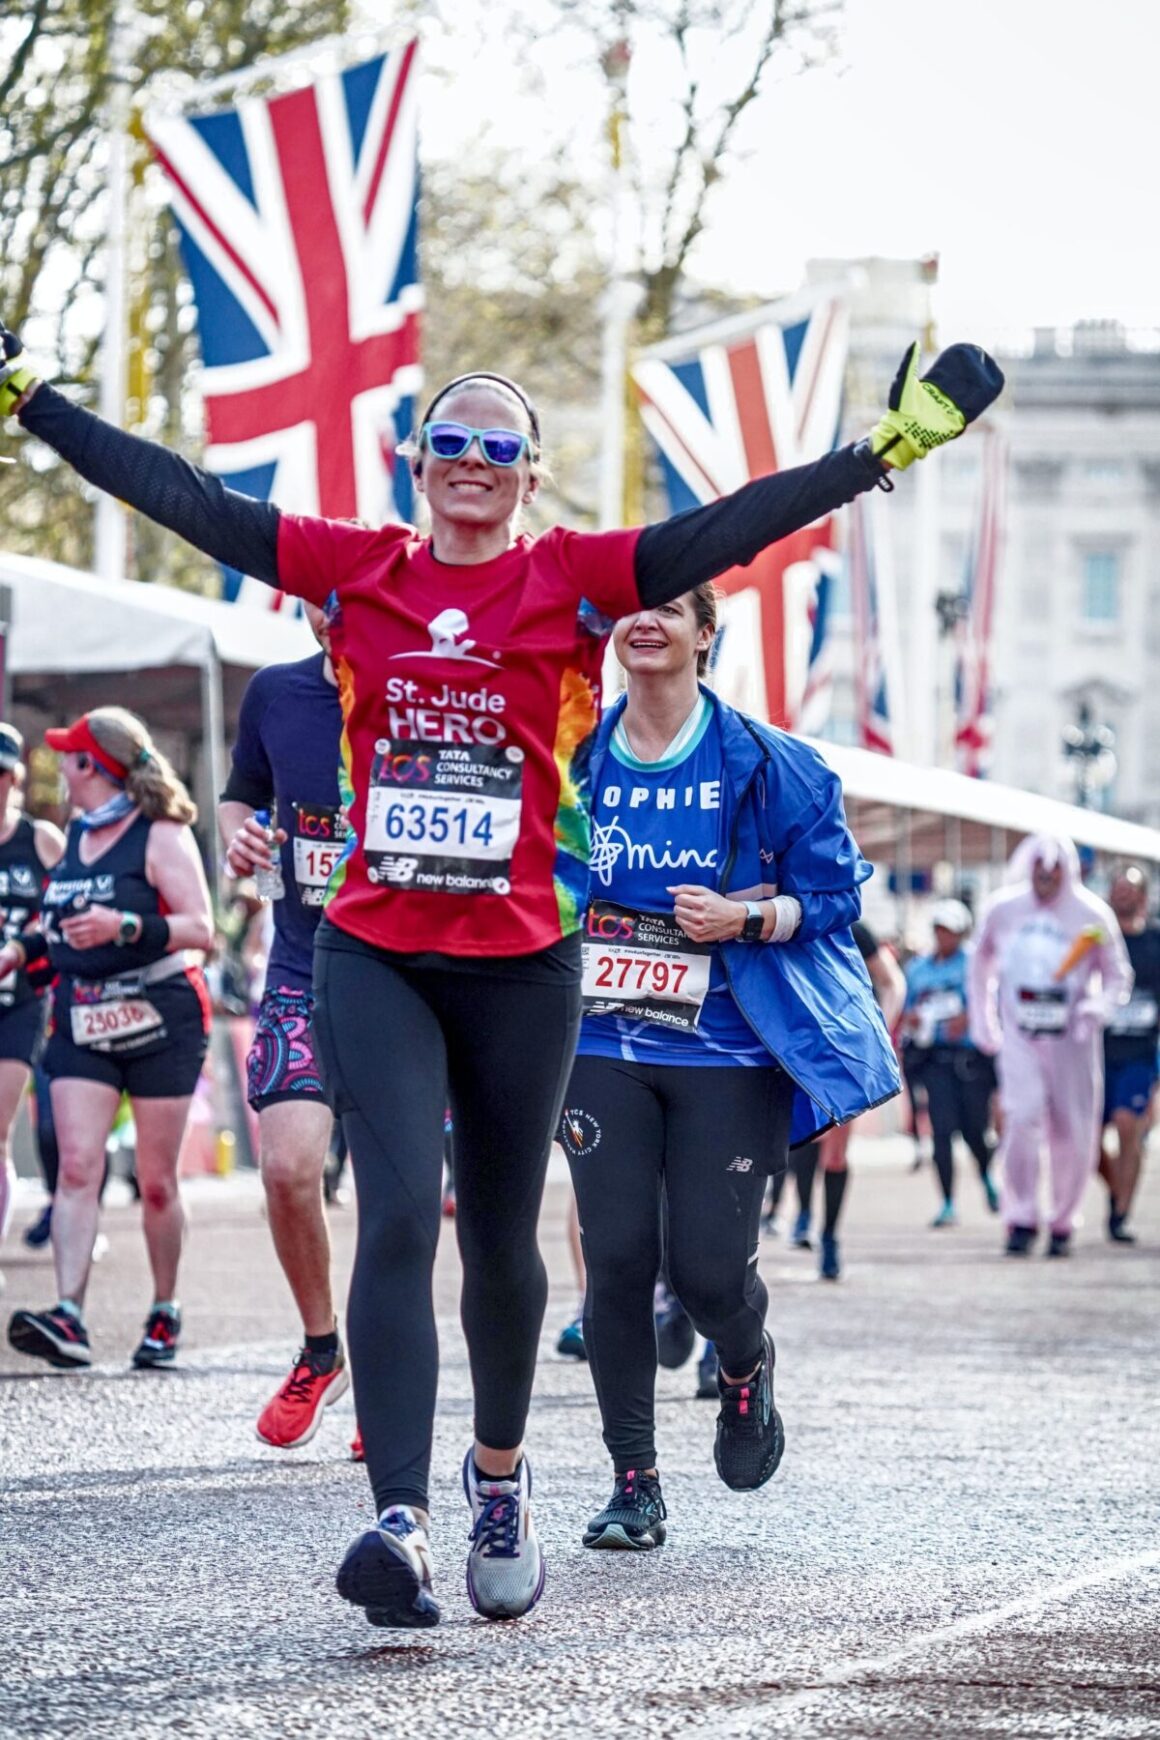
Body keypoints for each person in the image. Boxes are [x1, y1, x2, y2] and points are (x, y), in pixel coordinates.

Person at [0, 317, 1001, 1625]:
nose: (469, 460)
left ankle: (502, 1475)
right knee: (403, 1215)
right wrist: (35, 403)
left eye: (498, 446)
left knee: (503, 1242)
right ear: (418, 464)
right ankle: (401, 1524)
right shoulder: (353, 572)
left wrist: (886, 448)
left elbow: (735, 524)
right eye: (448, 442)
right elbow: (180, 495)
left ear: (532, 475)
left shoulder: (581, 579)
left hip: (527, 965)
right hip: (375, 948)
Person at [559, 582, 900, 1549]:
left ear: (707, 635)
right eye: (633, 606)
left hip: (731, 1046)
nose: (650, 620)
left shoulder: (771, 764)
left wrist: (747, 917)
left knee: (708, 1273)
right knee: (618, 1258)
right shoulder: (574, 755)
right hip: (600, 1040)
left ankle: (745, 1368)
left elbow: (833, 898)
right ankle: (634, 1483)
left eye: (674, 608)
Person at [5, 708, 214, 1366]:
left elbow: (200, 930)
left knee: (155, 1182)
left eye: (68, 755)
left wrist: (125, 927)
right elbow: (65, 924)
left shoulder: (160, 835)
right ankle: (69, 1315)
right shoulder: (75, 838)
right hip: (81, 1016)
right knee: (75, 1169)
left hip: (159, 1016)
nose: (59, 766)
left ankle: (164, 1309)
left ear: (92, 765)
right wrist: (22, 948)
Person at [218, 602, 355, 1449]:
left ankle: (387, 1369)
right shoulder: (275, 693)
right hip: (306, 965)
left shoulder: (431, 689)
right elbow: (239, 800)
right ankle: (323, 1346)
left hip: (412, 972)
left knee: (400, 1195)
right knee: (287, 1169)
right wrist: (240, 843)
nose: (329, 609)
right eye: (314, 591)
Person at [969, 835, 1132, 1257]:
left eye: (1054, 870)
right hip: (1021, 1037)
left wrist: (1096, 1008)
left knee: (1074, 1132)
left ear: (1068, 870)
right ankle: (1020, 1217)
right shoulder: (1003, 909)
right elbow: (980, 965)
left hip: (1072, 1042)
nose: (1045, 877)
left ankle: (1063, 1220)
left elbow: (1117, 975)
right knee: (1021, 1120)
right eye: (1039, 870)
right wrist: (983, 1021)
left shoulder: (1092, 913)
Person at [800, 919, 906, 1279]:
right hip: (799, 1046)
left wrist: (879, 1032)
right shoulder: (782, 918)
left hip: (845, 1051)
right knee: (802, 1139)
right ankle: (799, 1215)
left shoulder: (855, 930)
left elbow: (892, 984)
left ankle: (829, 1236)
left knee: (834, 1151)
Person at [0, 724, 65, 1270]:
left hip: (24, 1001)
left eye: (2, 775)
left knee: (3, 1129)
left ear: (16, 780)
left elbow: (70, 906)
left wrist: (23, 946)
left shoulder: (39, 839)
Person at [901, 898, 999, 1226]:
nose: (944, 936)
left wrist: (970, 1018)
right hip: (935, 1060)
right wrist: (913, 1018)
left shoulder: (975, 963)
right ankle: (947, 1202)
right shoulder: (918, 969)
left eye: (950, 931)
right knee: (941, 1132)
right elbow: (909, 1009)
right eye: (939, 930)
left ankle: (987, 1176)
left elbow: (992, 1000)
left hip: (970, 1061)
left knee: (974, 1130)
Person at [1099, 866, 1160, 1242]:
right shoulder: (1098, 938)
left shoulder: (1155, 939)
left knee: (1127, 1125)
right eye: (1117, 888)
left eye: (1130, 889)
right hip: (1096, 1053)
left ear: (1143, 896)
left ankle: (1120, 1214)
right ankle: (1116, 1189)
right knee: (1087, 1142)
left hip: (1139, 1052)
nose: (1122, 895)